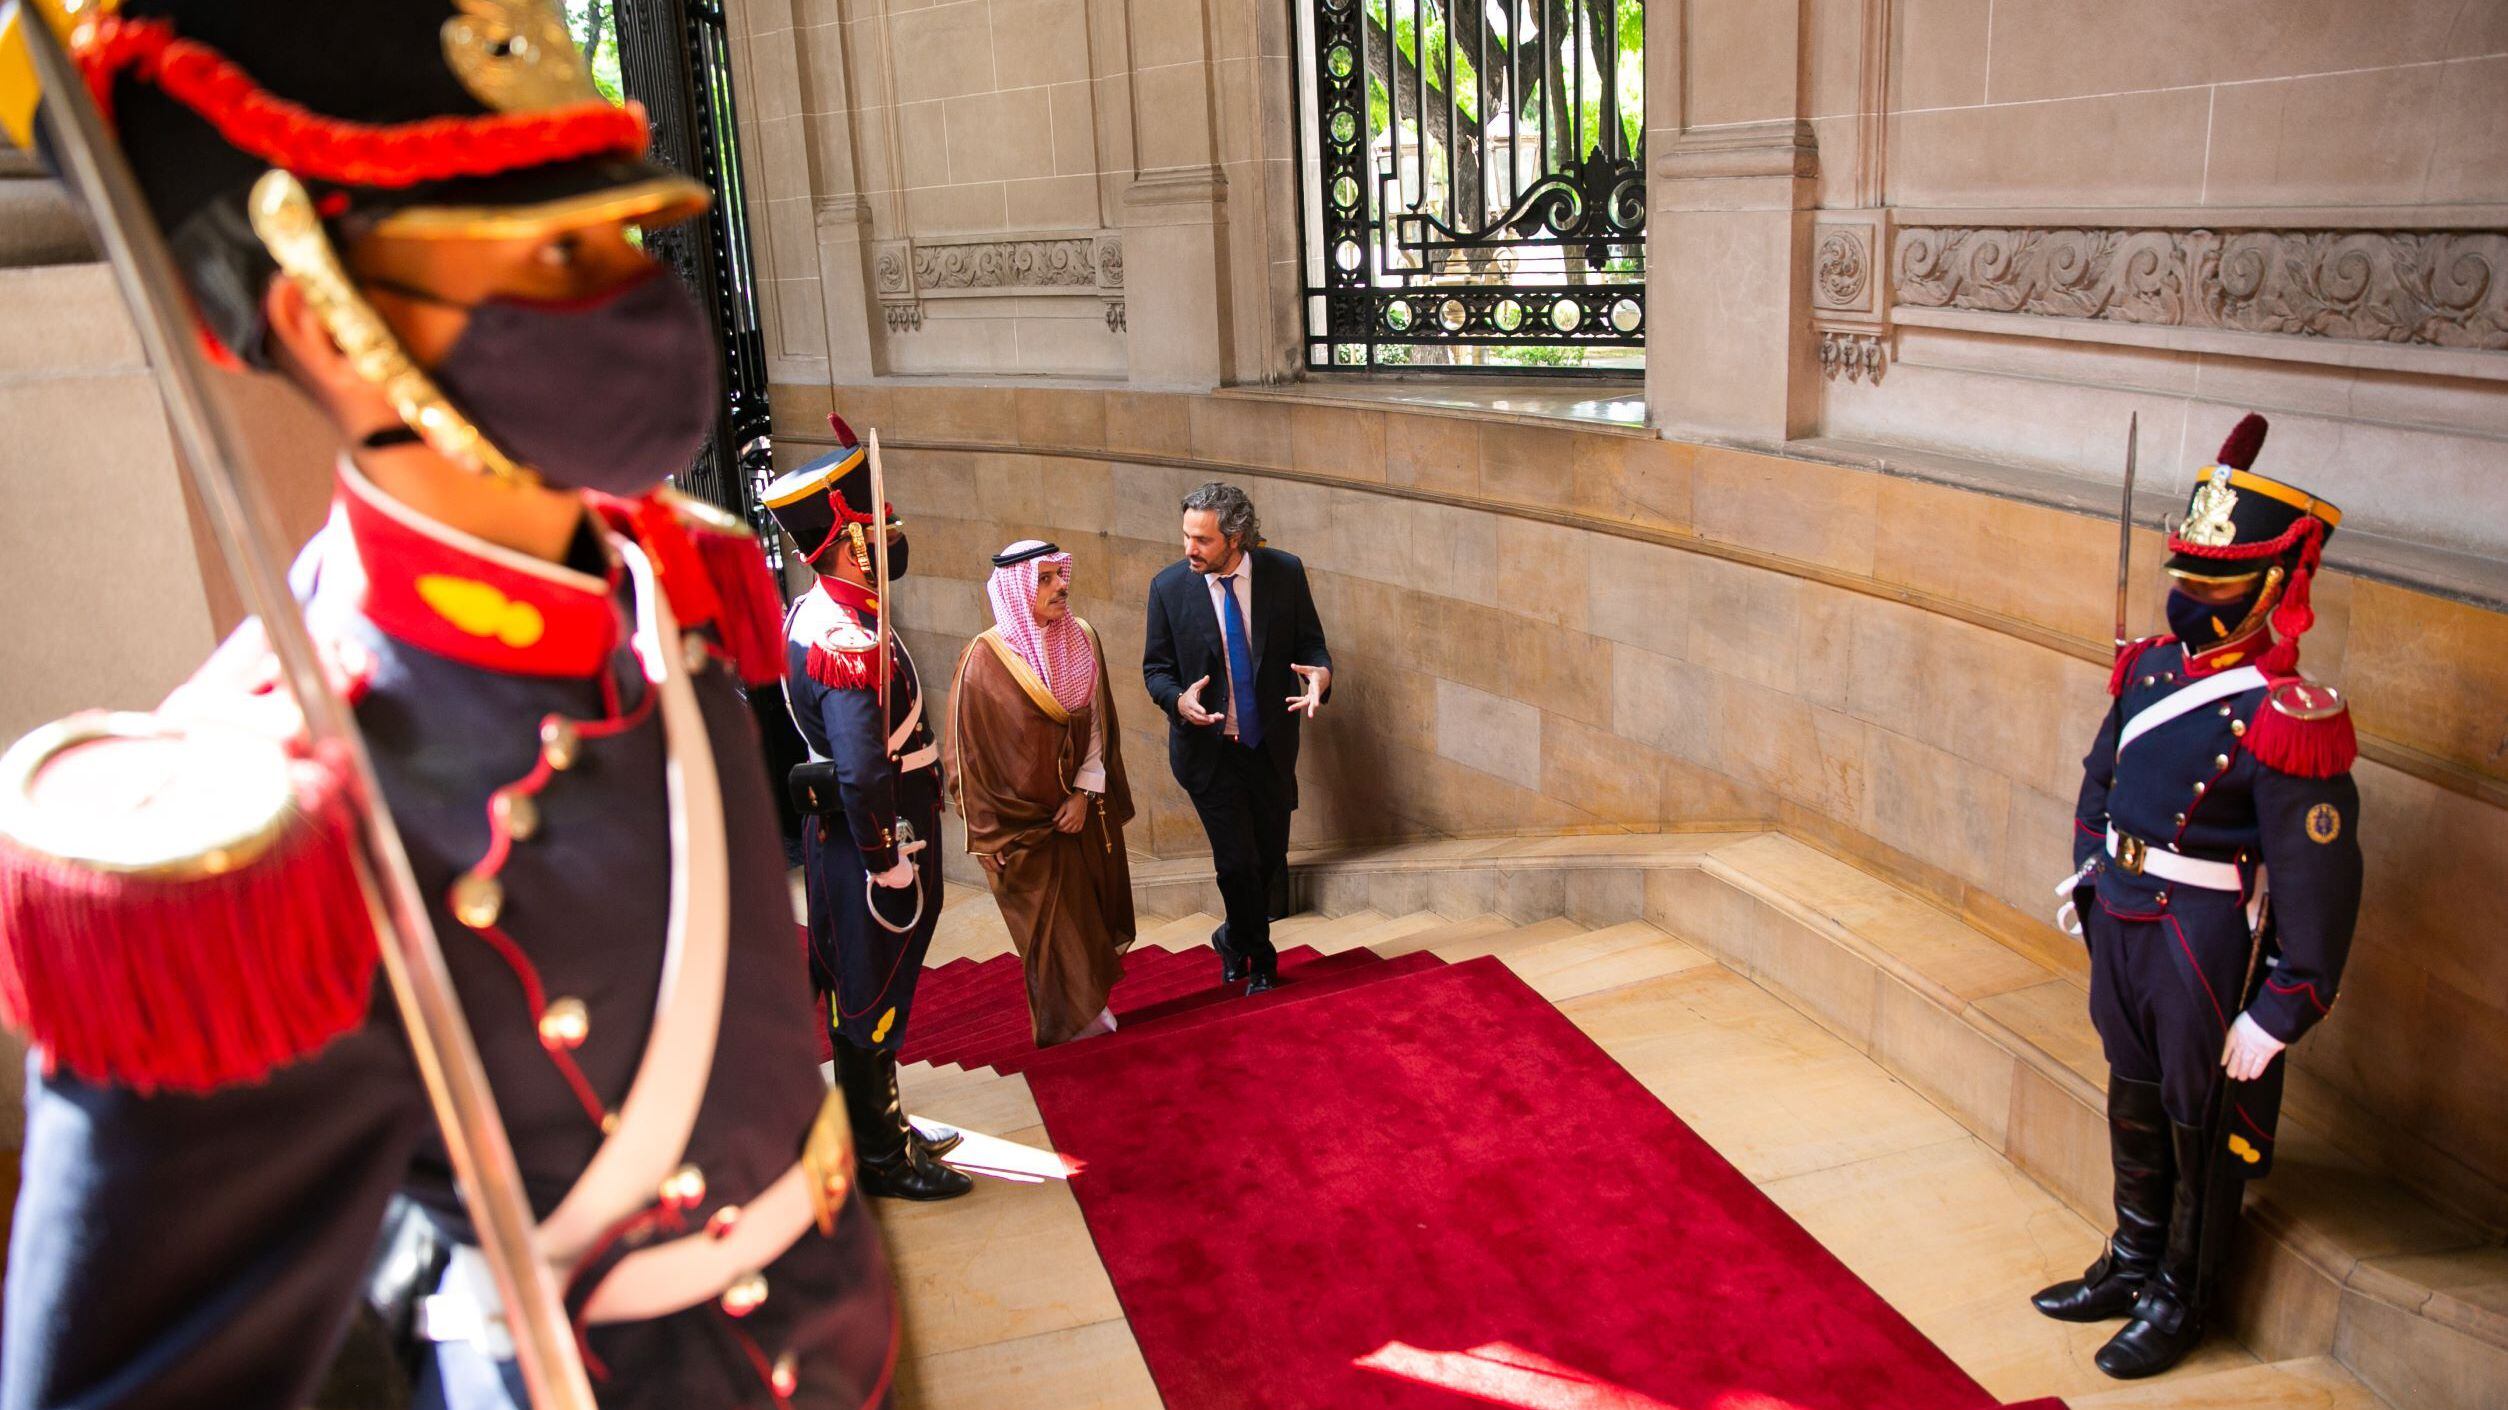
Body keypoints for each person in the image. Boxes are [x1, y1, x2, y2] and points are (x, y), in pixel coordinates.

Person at [0, 3, 899, 1406]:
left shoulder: (671, 580)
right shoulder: (257, 836)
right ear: (325, 318)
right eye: (551, 255)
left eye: (616, 238)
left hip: (841, 1339)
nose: (631, 292)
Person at [2032, 414, 2363, 1379]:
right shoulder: (2151, 669)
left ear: (2273, 588)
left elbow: (2321, 882)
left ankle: (2184, 1295)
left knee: (2197, 1117)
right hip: (2124, 914)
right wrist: (2093, 873)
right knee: (2131, 1094)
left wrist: (2285, 1003)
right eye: (2186, 577)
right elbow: (2101, 780)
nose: (2189, 597)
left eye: (2213, 584)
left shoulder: (2290, 718)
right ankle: (2131, 1260)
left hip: (2200, 937)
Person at [763, 423, 969, 1202]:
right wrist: (889, 861)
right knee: (870, 994)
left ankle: (880, 1120)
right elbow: (859, 770)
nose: (894, 533)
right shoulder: (844, 637)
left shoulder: (838, 609)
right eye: (881, 524)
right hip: (873, 846)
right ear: (849, 541)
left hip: (867, 838)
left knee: (879, 984)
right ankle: (881, 1154)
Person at [1140, 483, 1333, 995]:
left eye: (1201, 540)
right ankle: (1263, 958)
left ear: (1237, 537)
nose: (1188, 550)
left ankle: (1231, 938)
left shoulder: (1284, 573)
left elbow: (1311, 643)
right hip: (1208, 752)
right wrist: (1178, 700)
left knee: (1268, 860)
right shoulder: (1168, 588)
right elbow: (1155, 669)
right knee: (1235, 861)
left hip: (1268, 747)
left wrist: (1321, 677)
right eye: (1185, 536)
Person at [945, 541, 1137, 1047]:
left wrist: (1081, 793)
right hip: (1020, 829)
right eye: (1045, 579)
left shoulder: (1083, 637)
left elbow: (1096, 726)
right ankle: (1069, 1029)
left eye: (1060, 575)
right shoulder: (983, 661)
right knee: (1050, 934)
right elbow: (968, 760)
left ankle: (1091, 1019)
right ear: (1017, 588)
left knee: (1090, 916)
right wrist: (988, 837)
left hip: (1078, 811)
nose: (1060, 586)